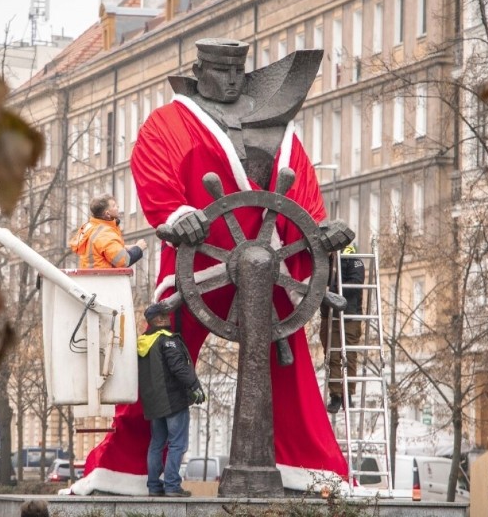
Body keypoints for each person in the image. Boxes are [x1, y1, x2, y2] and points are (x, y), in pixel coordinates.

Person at [66, 38, 351, 496]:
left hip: (267, 261)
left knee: (292, 369)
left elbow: (300, 191)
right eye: (224, 71)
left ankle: (306, 467)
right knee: (156, 366)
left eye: (240, 70)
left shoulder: (279, 129)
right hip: (194, 263)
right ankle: (124, 470)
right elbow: (154, 169)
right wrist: (176, 215)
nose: (234, 79)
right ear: (200, 71)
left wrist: (318, 231)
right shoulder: (171, 123)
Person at [139, 303, 205, 497]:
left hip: (153, 402)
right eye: (164, 315)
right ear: (158, 320)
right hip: (172, 399)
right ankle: (172, 486)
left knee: (157, 443)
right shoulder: (167, 340)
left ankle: (153, 486)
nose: (168, 317)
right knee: (177, 444)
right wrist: (194, 385)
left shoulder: (143, 342)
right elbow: (178, 367)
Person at [320, 243, 365, 413]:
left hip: (348, 316)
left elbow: (355, 284)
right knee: (332, 355)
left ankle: (348, 394)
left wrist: (331, 291)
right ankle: (336, 395)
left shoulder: (351, 256)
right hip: (329, 316)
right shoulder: (324, 259)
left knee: (349, 355)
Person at [69, 194, 147, 268]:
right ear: (107, 214)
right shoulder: (105, 235)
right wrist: (138, 248)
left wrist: (125, 248)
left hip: (92, 277)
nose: (118, 206)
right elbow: (124, 261)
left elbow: (99, 249)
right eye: (114, 205)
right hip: (104, 279)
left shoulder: (90, 226)